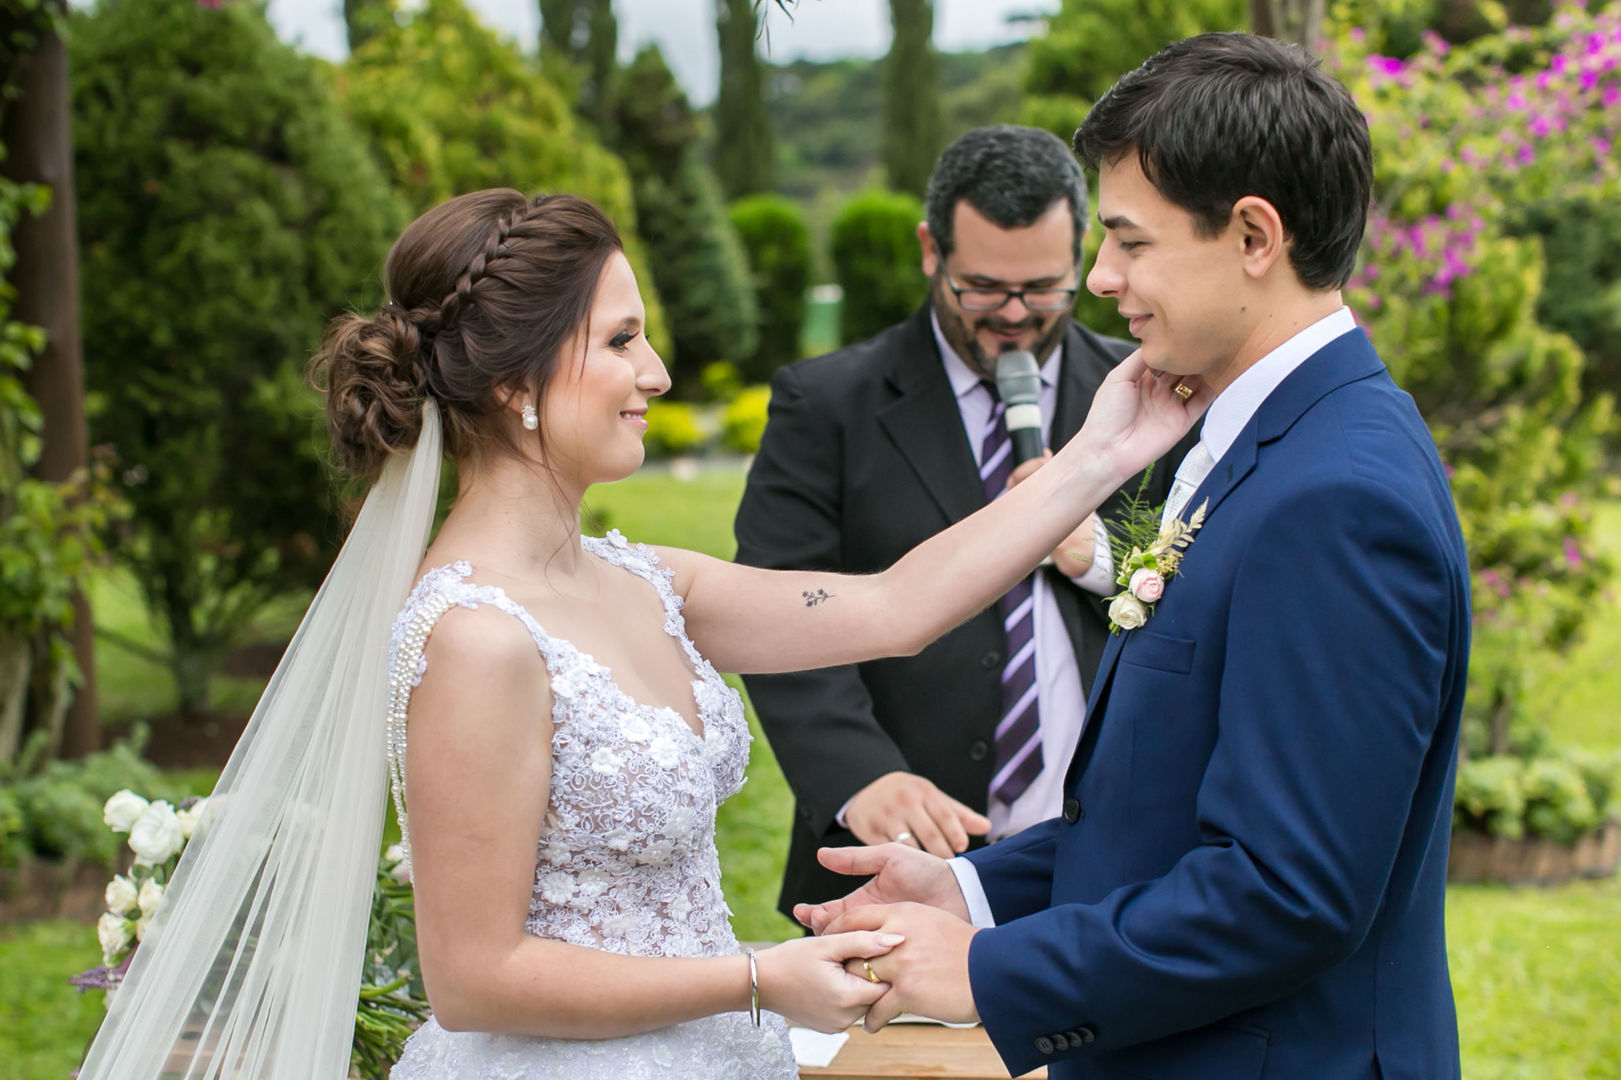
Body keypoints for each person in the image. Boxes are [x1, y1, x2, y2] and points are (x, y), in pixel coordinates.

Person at [75, 189, 1205, 1080]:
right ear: (518, 380)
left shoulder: (646, 580)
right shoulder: (473, 636)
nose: (655, 375)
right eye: (620, 343)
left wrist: (1102, 455)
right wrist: (756, 977)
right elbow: (472, 978)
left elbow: (893, 607)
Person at [801, 33, 1471, 1080]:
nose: (1100, 278)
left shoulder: (1336, 493)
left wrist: (988, 970)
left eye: (1129, 241)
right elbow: (1161, 813)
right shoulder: (1260, 437)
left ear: (1254, 234)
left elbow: (1283, 892)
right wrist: (974, 890)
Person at [734, 125, 1194, 921]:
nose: (1014, 316)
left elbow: (1210, 595)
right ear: (929, 251)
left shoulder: (1158, 392)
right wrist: (858, 776)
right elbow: (777, 613)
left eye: (1044, 289)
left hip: (1111, 867)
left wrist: (1096, 555)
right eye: (981, 288)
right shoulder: (827, 405)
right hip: (896, 863)